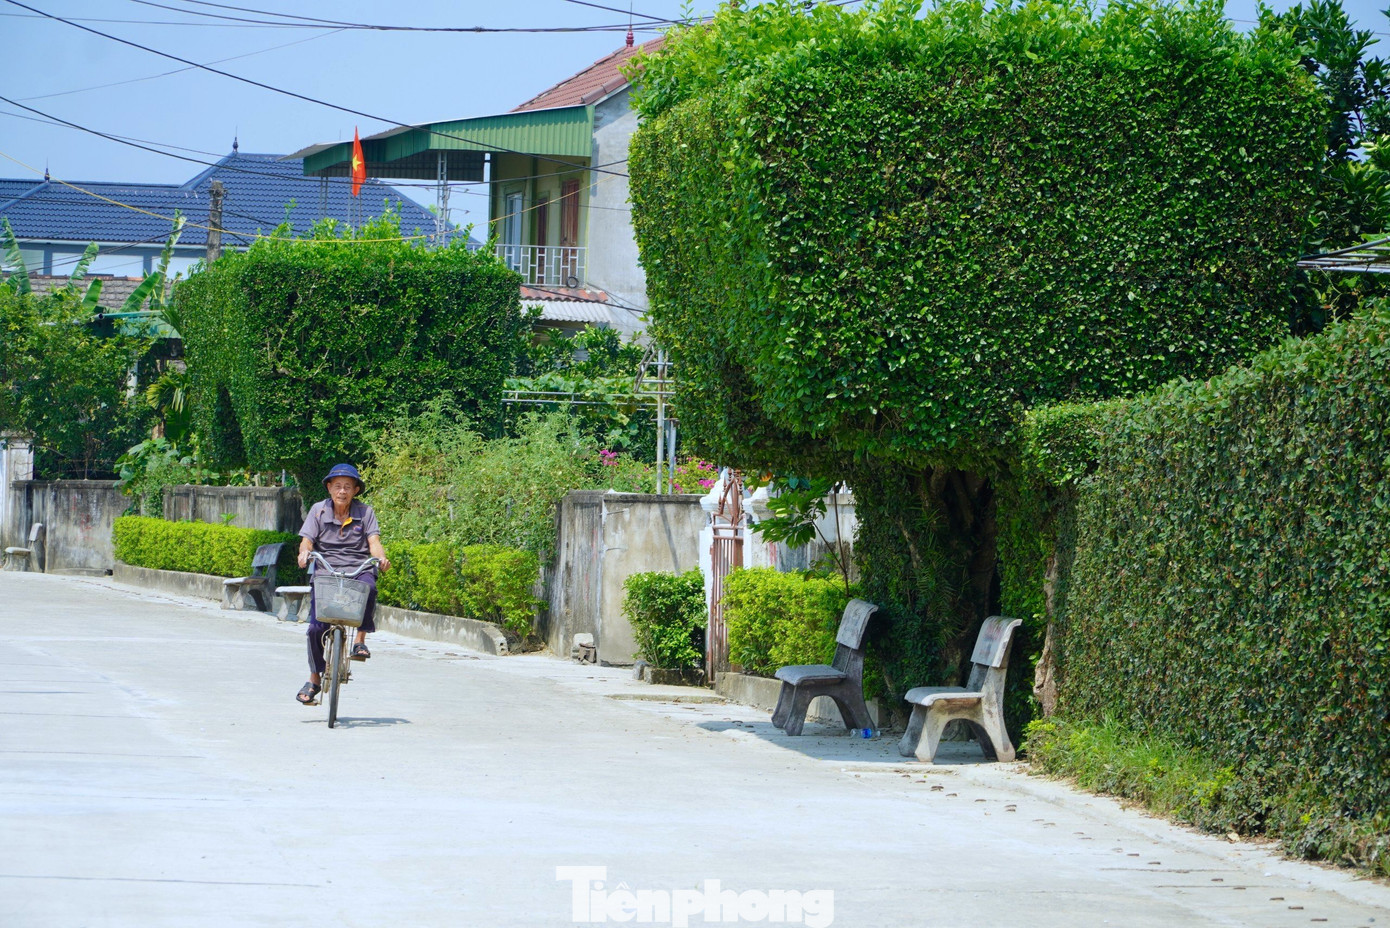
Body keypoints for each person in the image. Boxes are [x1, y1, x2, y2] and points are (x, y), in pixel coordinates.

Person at [295, 463, 391, 705]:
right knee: (315, 628)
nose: (342, 491)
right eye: (337, 486)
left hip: (358, 567)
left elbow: (374, 542)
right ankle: (314, 678)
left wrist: (381, 558)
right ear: (329, 488)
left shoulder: (365, 512)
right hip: (326, 569)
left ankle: (360, 641)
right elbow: (307, 541)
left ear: (355, 490)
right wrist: (304, 553)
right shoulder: (318, 510)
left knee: (369, 587)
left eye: (348, 487)